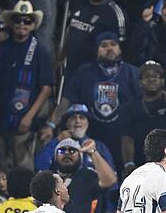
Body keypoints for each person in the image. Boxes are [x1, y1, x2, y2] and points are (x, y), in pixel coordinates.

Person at [41, 32, 141, 168]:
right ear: (97, 50)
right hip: (91, 138)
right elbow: (65, 102)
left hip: (123, 141)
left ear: (120, 48)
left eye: (113, 44)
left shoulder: (133, 73)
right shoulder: (83, 73)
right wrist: (51, 125)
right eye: (104, 45)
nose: (109, 48)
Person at [0, 0, 53, 170]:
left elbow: (46, 88)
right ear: (11, 23)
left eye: (27, 21)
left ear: (33, 25)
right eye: (18, 20)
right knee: (2, 168)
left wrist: (29, 116)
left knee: (24, 167)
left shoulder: (40, 52)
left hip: (24, 120)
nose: (22, 24)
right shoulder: (1, 49)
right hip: (0, 116)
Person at [54, 138, 117, 213]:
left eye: (72, 150)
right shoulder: (49, 179)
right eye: (62, 150)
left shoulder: (88, 176)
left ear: (80, 156)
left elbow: (110, 180)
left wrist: (92, 151)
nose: (67, 153)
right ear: (55, 156)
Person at [119, 61, 166, 173]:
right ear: (140, 82)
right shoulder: (130, 107)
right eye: (146, 76)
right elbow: (127, 138)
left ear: (162, 81)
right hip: (141, 162)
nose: (151, 79)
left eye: (155, 76)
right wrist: (129, 163)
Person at [62, 0, 129, 76]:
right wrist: (60, 58)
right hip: (71, 71)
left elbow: (122, 49)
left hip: (97, 76)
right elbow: (71, 32)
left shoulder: (115, 13)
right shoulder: (80, 3)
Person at [35, 104, 116, 173]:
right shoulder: (57, 144)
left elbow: (111, 175)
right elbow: (39, 167)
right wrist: (56, 141)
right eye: (73, 118)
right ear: (67, 123)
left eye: (82, 117)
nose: (78, 121)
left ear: (88, 123)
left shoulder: (99, 146)